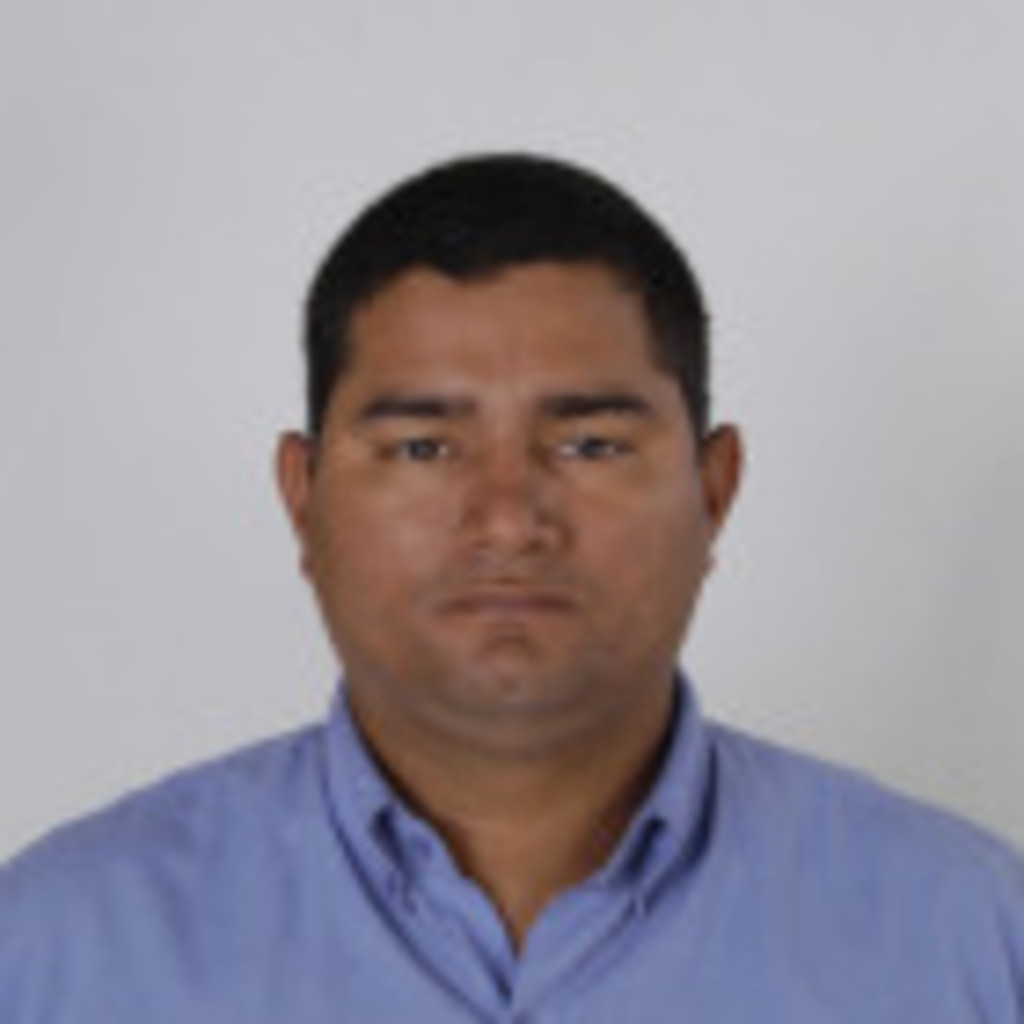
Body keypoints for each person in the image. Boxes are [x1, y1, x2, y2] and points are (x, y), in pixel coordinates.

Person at [1, 153, 1021, 1023]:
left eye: (589, 444)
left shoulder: (974, 941)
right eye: (422, 446)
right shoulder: (53, 950)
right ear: (303, 500)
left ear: (713, 491)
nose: (506, 518)